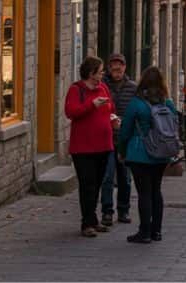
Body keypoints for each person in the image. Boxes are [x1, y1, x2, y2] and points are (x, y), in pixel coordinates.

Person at [118, 66, 177, 244]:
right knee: (156, 190)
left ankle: (144, 231)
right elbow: (174, 126)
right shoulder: (167, 103)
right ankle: (156, 231)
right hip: (161, 153)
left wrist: (122, 151)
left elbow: (125, 130)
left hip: (140, 153)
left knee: (144, 192)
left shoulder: (137, 104)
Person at [65, 56, 115, 238]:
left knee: (98, 183)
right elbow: (71, 112)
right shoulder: (76, 90)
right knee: (87, 184)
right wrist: (91, 105)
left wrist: (113, 120)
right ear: (91, 73)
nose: (102, 74)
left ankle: (93, 219)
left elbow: (110, 109)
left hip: (103, 144)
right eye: (100, 71)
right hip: (83, 147)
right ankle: (86, 222)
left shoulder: (103, 88)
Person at [101, 53, 136, 227]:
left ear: (125, 67)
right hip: (106, 138)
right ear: (109, 68)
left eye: (120, 65)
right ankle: (107, 211)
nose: (117, 69)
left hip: (125, 139)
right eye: (114, 66)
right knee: (107, 177)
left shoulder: (132, 88)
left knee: (125, 178)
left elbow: (135, 112)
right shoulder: (102, 86)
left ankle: (123, 210)